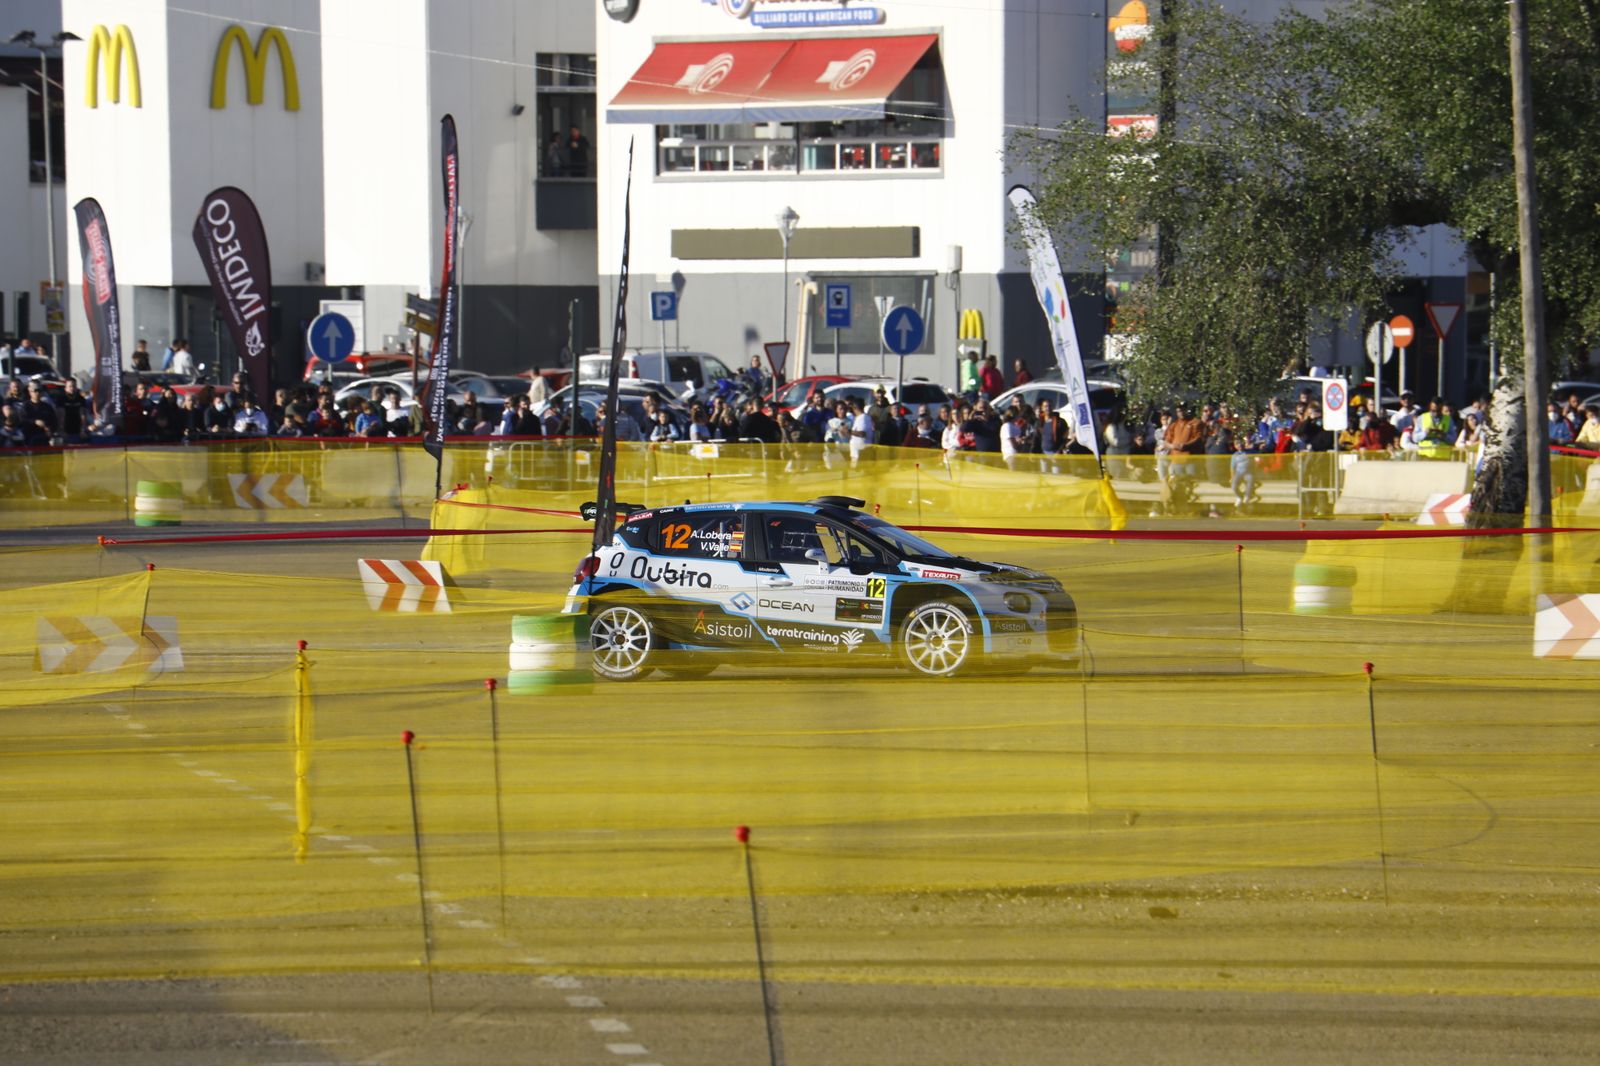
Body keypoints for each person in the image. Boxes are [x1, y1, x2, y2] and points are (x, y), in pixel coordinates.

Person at [847, 397, 875, 462]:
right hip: (856, 453)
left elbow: (862, 433)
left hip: (861, 453)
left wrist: (849, 431)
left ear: (855, 408)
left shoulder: (863, 418)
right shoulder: (859, 418)